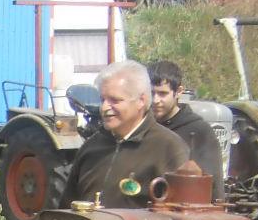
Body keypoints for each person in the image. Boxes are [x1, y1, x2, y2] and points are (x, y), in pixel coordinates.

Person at [63, 60, 194, 210]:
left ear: (141, 101)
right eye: (103, 99)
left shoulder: (169, 149)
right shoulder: (91, 147)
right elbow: (65, 208)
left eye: (115, 100)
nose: (104, 108)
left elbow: (182, 216)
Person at [148, 59, 226, 200]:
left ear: (178, 92)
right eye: (151, 93)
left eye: (162, 93)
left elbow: (213, 186)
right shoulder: (143, 128)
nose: (155, 100)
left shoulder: (199, 131)